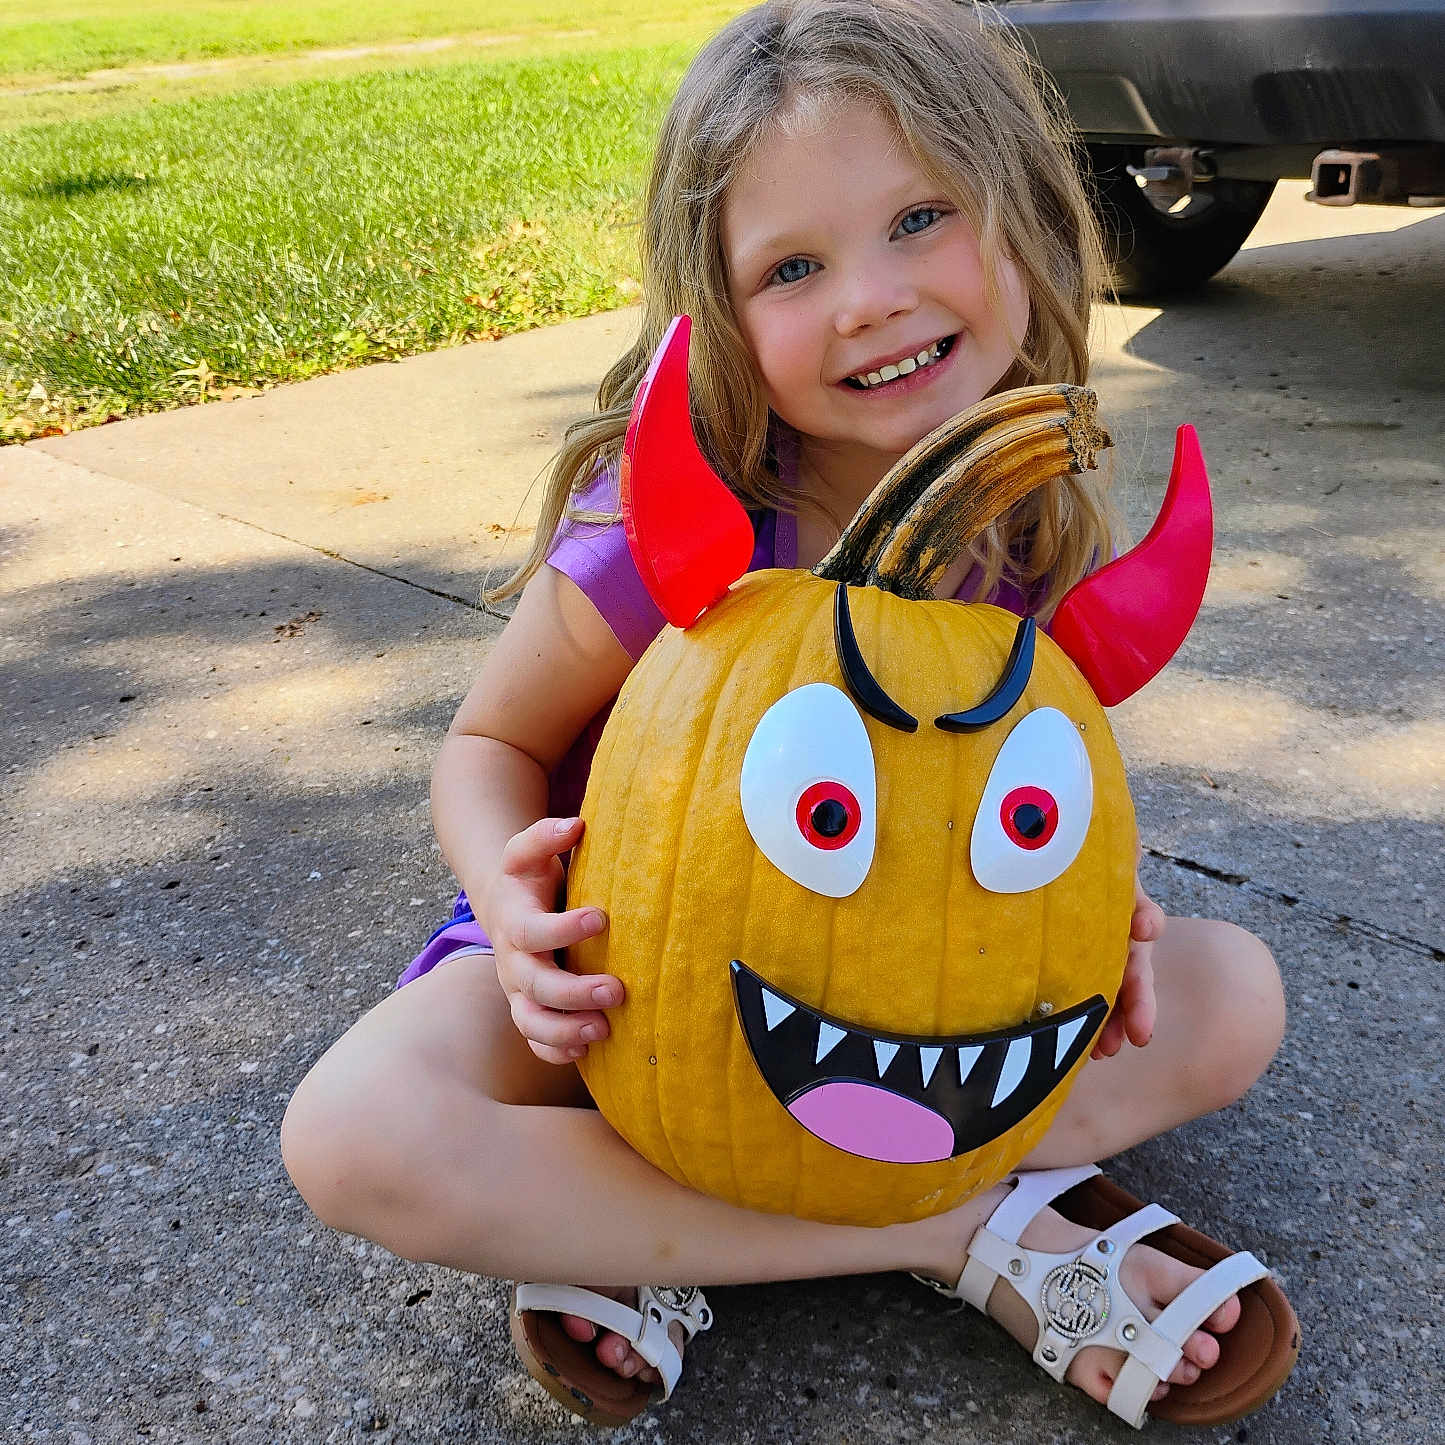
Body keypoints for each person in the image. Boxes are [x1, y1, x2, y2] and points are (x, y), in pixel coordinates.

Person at [281, 0, 1296, 1430]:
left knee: (1232, 996)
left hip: (920, 1006)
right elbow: (488, 742)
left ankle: (655, 1227)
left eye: (918, 217)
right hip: (621, 994)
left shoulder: (1012, 535)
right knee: (354, 1133)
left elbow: (1033, 815)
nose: (867, 296)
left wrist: (1096, 922)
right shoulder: (666, 528)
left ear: (1025, 214)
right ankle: (961, 1229)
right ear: (718, 309)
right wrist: (511, 916)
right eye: (793, 265)